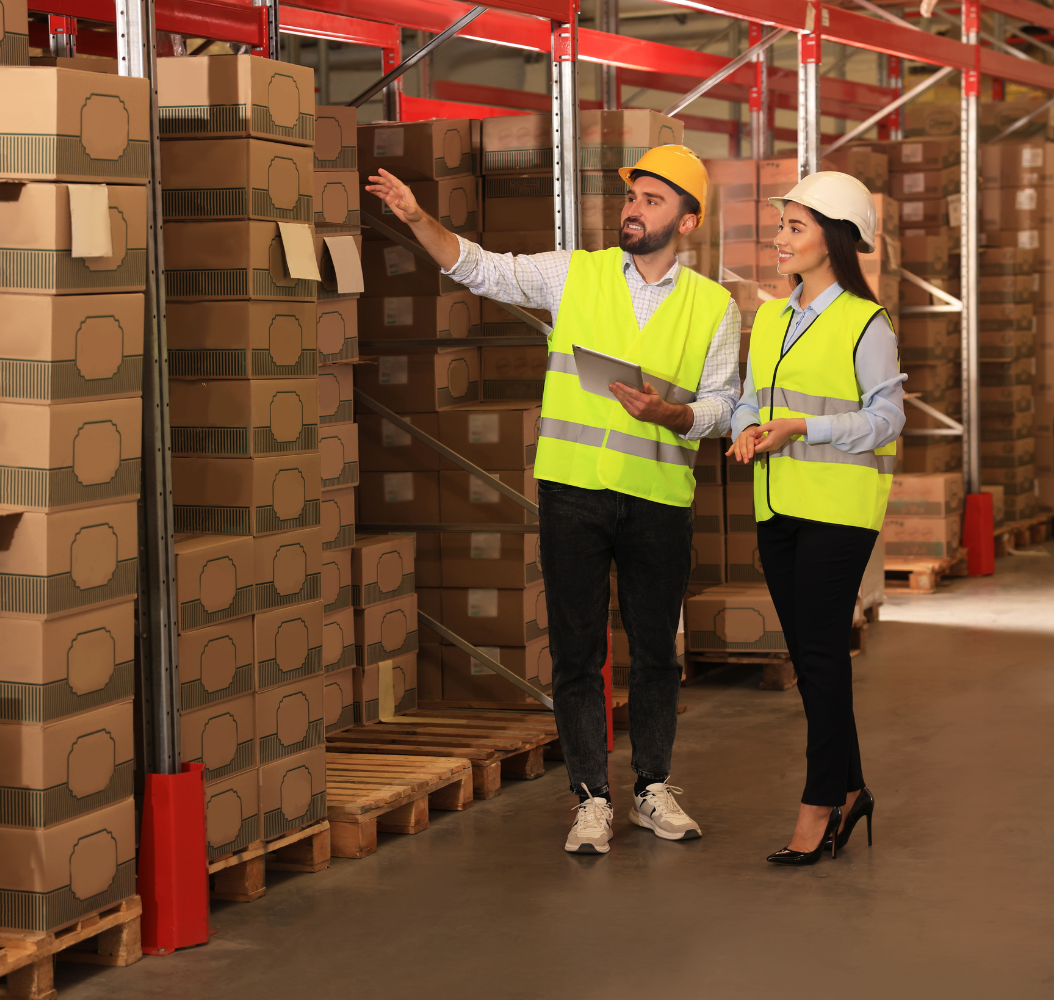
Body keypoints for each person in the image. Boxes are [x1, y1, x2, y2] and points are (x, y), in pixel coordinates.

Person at [367, 146, 741, 856]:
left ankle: (652, 788)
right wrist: (418, 219)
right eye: (632, 197)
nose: (634, 209)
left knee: (657, 654)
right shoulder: (577, 273)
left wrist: (674, 415)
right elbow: (482, 268)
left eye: (653, 200)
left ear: (688, 221)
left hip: (658, 498)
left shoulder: (713, 306)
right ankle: (591, 797)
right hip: (573, 493)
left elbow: (725, 401)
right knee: (577, 653)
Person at [727, 171, 905, 866]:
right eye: (781, 225)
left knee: (824, 657)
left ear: (832, 239)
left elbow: (887, 418)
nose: (779, 237)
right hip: (777, 504)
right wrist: (745, 429)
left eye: (794, 227)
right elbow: (751, 397)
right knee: (809, 658)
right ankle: (852, 790)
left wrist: (805, 427)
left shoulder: (866, 322)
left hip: (839, 510)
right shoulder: (771, 317)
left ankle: (820, 803)